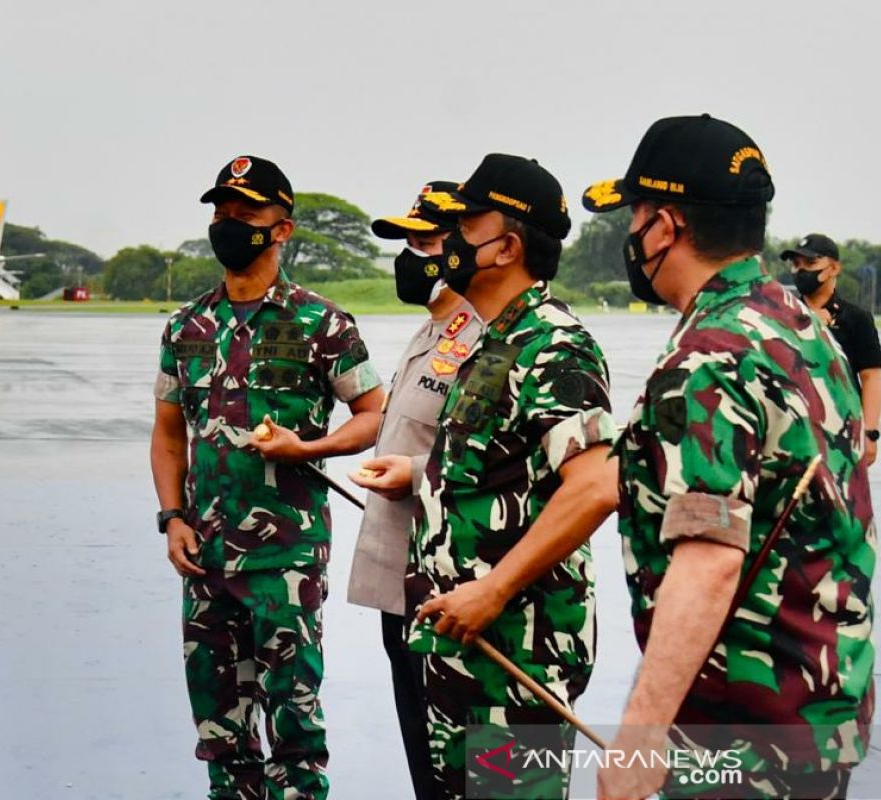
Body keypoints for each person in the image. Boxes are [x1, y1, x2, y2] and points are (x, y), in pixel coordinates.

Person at [583, 114, 875, 800]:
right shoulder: (797, 323)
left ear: (665, 226)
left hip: (742, 733)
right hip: (818, 707)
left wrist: (641, 734)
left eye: (634, 216)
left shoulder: (710, 356)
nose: (629, 235)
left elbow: (710, 559)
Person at [353, 154, 618, 800]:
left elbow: (595, 485)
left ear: (507, 247)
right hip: (457, 649)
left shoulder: (553, 345)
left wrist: (493, 590)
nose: (450, 241)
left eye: (467, 224)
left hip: (514, 653)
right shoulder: (493, 345)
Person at [150, 155, 384, 799]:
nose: (228, 224)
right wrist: (172, 519)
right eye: (221, 212)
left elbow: (373, 415)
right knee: (219, 723)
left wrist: (311, 446)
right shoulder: (186, 325)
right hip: (204, 556)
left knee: (293, 718)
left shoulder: (323, 323)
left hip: (286, 555)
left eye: (246, 213)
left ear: (282, 229)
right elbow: (169, 434)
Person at [345, 180, 483, 800]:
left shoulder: (487, 338)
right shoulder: (430, 332)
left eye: (424, 240)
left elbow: (499, 470)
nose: (410, 255)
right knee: (425, 762)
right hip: (400, 581)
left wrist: (416, 475)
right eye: (406, 241)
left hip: (451, 591)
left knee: (472, 767)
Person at [781, 233, 881, 465]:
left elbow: (872, 376)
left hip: (842, 438)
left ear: (834, 268)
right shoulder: (781, 316)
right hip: (789, 435)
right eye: (796, 264)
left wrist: (870, 433)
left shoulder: (856, 319)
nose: (801, 271)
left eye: (811, 263)